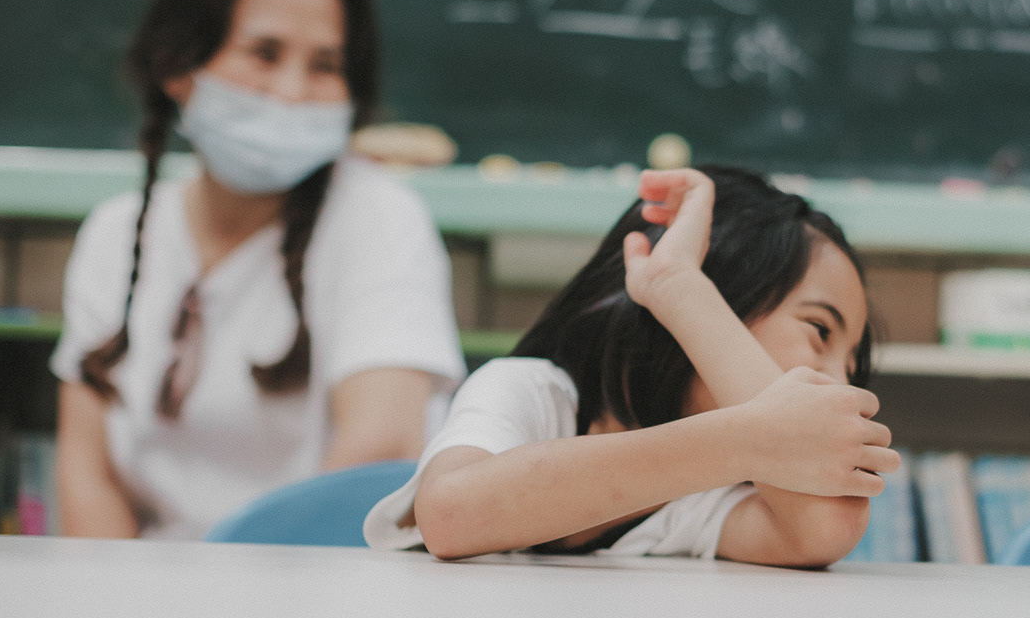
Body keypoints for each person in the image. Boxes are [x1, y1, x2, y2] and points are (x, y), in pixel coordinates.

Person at [52, 0, 464, 540]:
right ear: (178, 66)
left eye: (325, 65)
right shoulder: (115, 234)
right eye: (264, 53)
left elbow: (378, 453)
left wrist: (235, 588)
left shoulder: (380, 220)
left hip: (323, 579)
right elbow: (87, 471)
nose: (291, 91)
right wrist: (119, 592)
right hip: (144, 590)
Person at [366, 166, 898, 568]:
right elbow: (451, 515)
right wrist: (679, 289)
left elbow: (826, 525)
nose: (839, 382)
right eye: (820, 331)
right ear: (721, 295)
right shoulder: (532, 392)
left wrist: (761, 440)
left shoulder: (709, 494)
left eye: (852, 368)